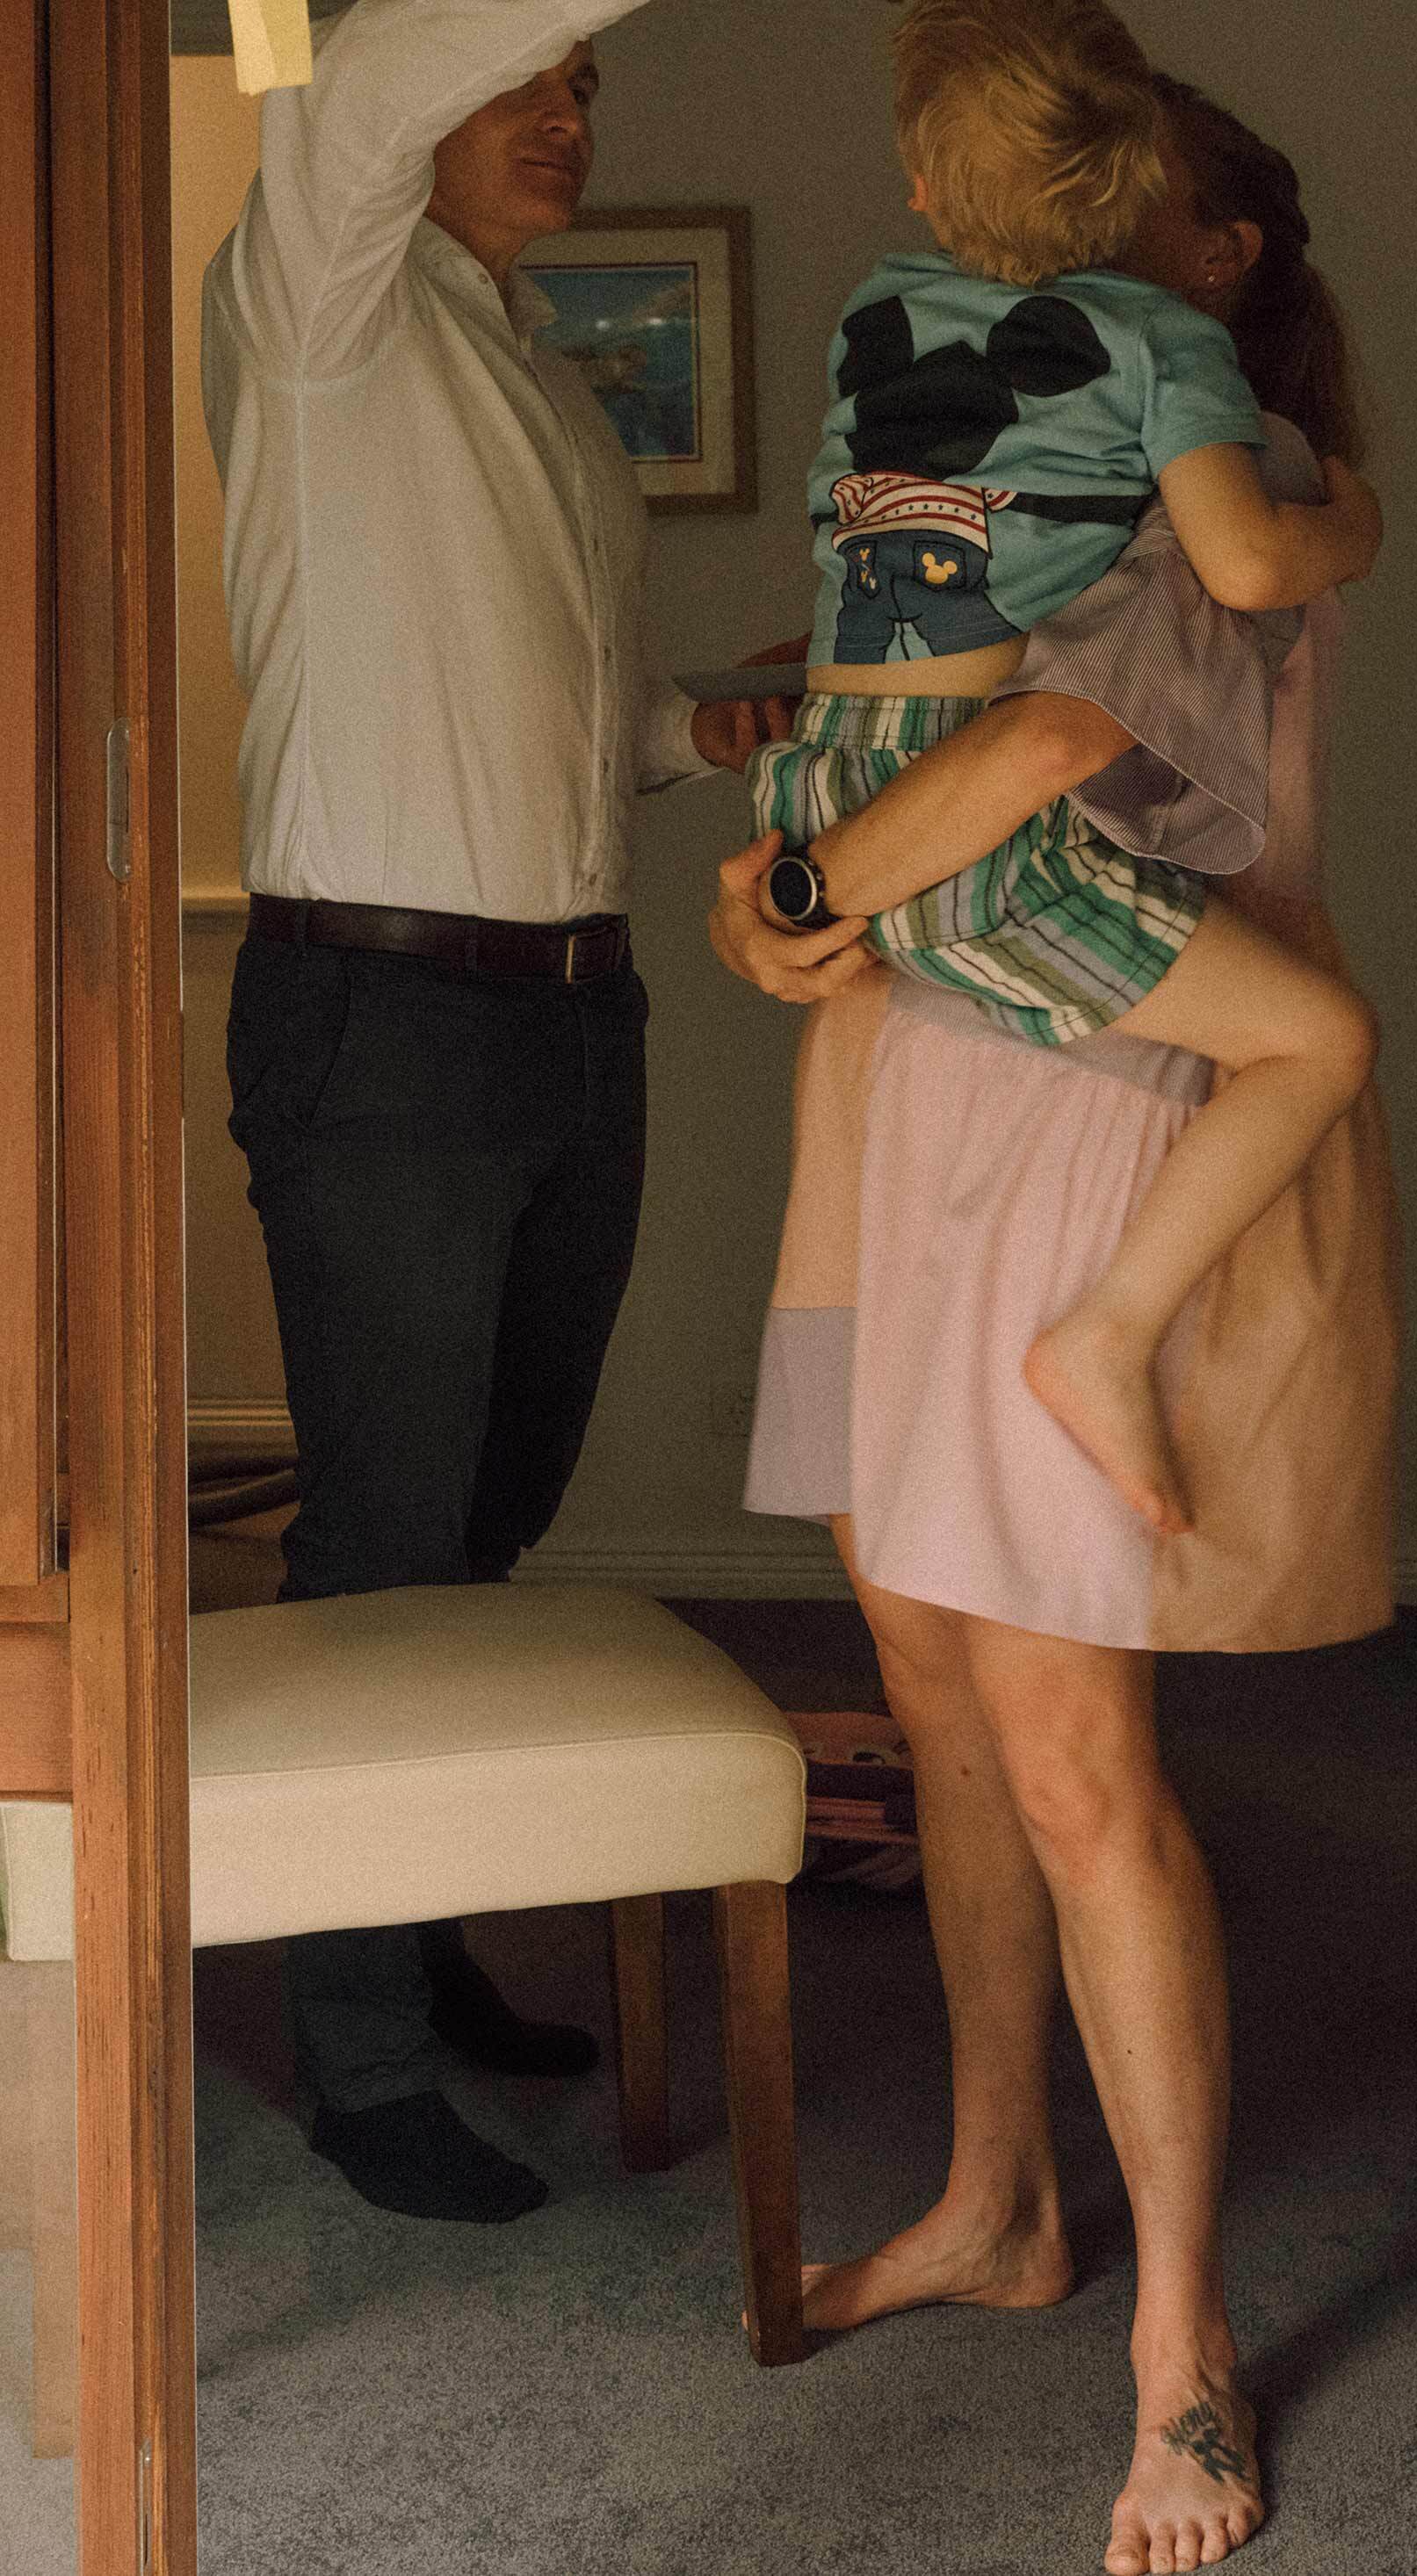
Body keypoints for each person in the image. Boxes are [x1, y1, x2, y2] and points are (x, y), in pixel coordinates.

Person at [712, 72, 1396, 2576]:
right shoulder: (1041, 424)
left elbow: (1034, 748)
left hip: (1092, 1090)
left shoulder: (1224, 475)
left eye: (1144, 209)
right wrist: (792, 888)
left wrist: (789, 874)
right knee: (930, 1681)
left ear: (1223, 246)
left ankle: (1179, 2347)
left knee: (1073, 1737)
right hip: (910, 1091)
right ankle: (1004, 2190)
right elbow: (865, 761)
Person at [202, 0, 787, 2226]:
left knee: (488, 1513)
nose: (566, 111)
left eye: (584, 89)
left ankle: (418, 1921)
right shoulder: (318, 283)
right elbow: (357, 81)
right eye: (532, 77)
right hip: (384, 1011)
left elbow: (557, 708)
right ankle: (353, 2059)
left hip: (565, 1010)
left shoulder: (523, 367)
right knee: (383, 1534)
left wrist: (702, 726)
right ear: (409, 108)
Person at [745, 0, 1380, 1540]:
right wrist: (1349, 526)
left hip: (825, 774)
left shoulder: (874, 308)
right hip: (972, 815)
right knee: (1318, 1044)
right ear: (1123, 184)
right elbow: (1235, 565)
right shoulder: (1165, 347)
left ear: (918, 183)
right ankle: (1103, 1334)